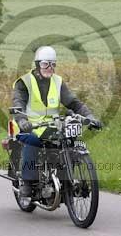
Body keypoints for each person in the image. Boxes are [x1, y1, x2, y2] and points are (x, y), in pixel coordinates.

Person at [11, 46, 102, 197]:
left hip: (52, 126)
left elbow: (74, 103)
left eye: (53, 64)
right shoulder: (24, 82)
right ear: (37, 64)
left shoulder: (57, 82)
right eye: (45, 64)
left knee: (69, 142)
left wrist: (90, 117)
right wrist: (22, 120)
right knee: (33, 141)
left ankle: (65, 183)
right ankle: (27, 182)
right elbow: (18, 103)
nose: (49, 68)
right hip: (28, 126)